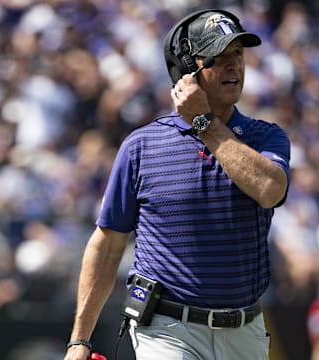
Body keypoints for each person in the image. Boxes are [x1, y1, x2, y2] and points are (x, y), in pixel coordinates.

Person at [64, 9, 291, 360]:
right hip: (168, 330)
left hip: (245, 332)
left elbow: (270, 191)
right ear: (187, 69)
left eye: (238, 55)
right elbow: (107, 245)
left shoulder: (265, 137)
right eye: (218, 56)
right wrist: (80, 340)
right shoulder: (142, 146)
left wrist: (205, 123)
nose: (233, 65)